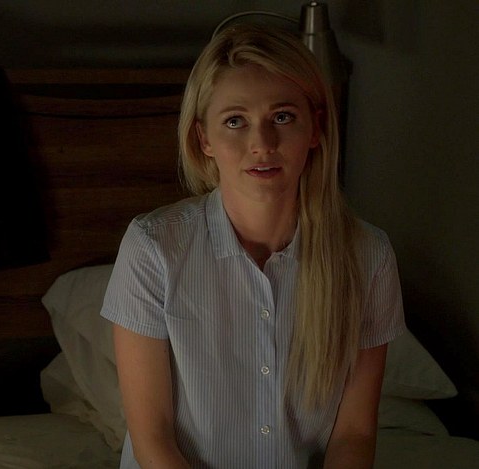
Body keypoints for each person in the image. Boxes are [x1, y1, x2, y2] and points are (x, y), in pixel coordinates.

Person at [100, 24, 405, 468]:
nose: (262, 144)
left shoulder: (368, 257)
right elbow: (153, 437)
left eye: (282, 117)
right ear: (204, 139)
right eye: (235, 121)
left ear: (315, 128)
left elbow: (354, 433)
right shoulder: (153, 248)